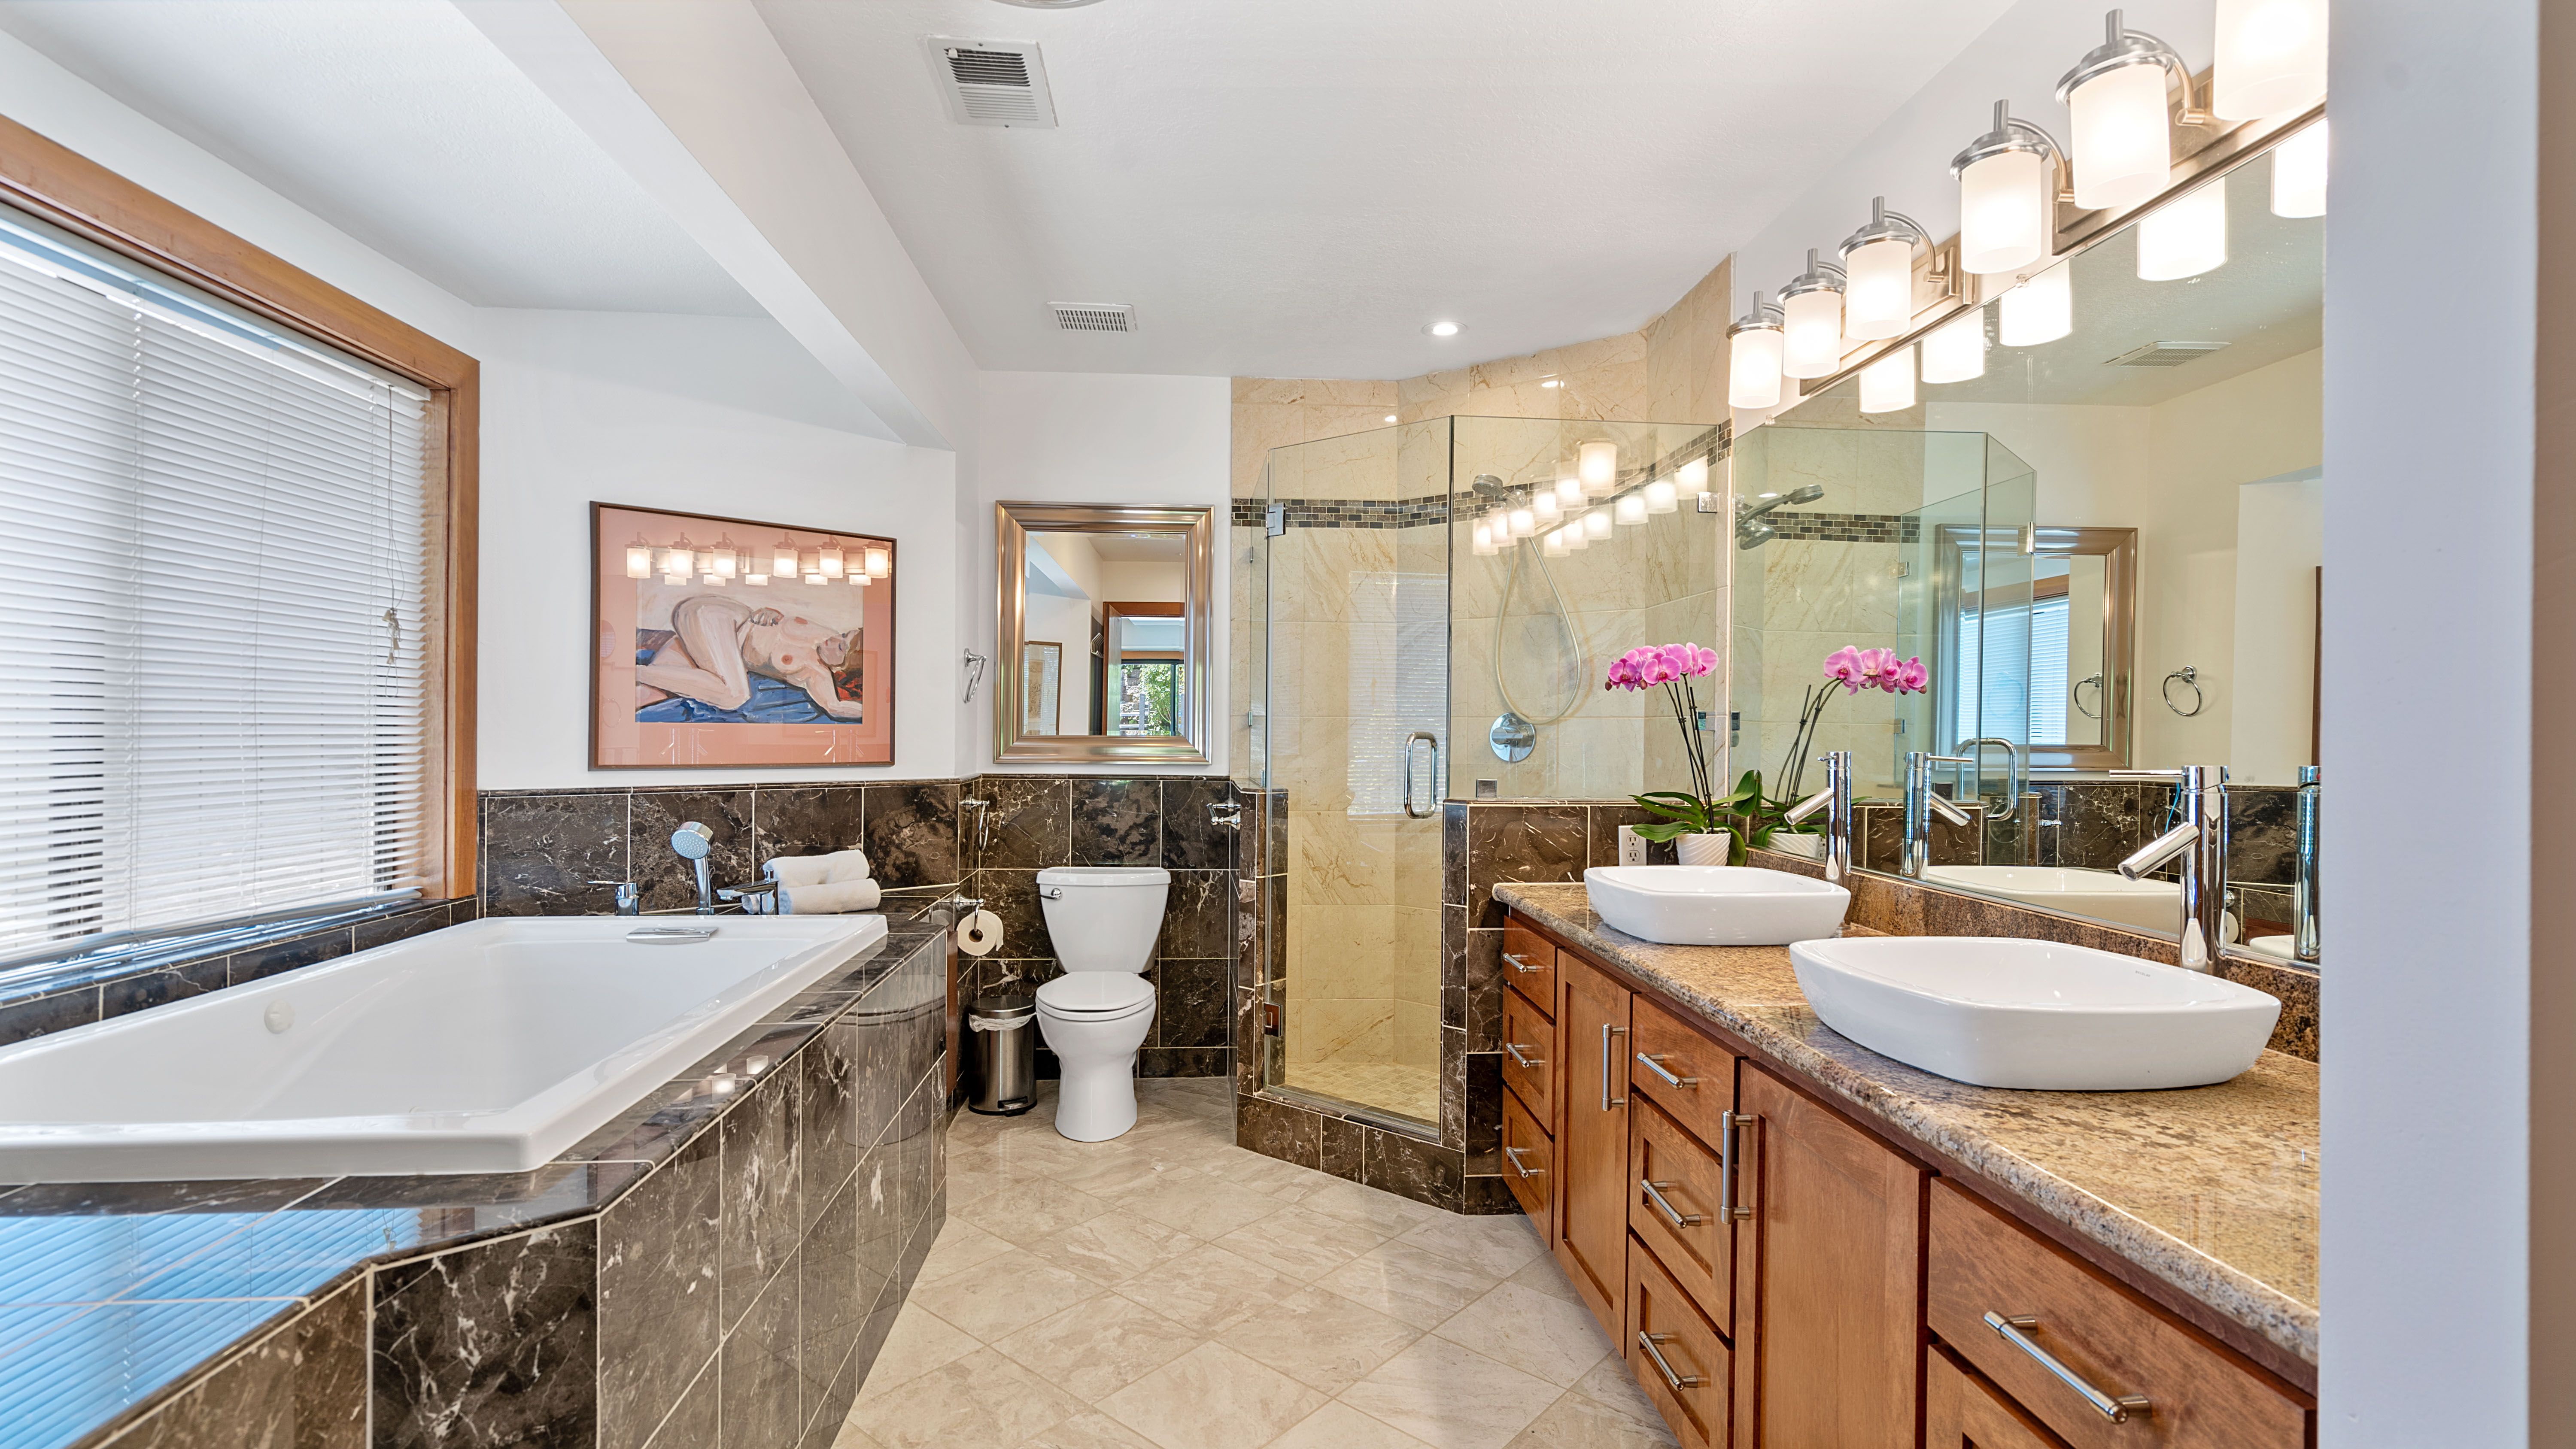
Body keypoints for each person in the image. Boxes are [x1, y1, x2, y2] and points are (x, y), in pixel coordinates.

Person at [635, 594, 863, 721]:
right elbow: (774, 616)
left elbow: (836, 708)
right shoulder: (821, 634)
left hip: (701, 641)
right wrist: (768, 611)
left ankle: (628, 675)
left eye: (842, 646)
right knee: (735, 695)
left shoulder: (817, 675)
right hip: (717, 617)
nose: (833, 639)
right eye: (841, 635)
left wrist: (881, 717)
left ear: (842, 668)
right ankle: (631, 669)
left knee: (647, 695)